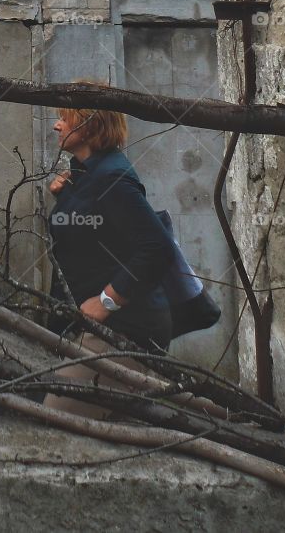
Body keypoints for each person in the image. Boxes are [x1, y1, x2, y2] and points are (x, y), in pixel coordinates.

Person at [43, 99, 176, 417]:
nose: (56, 125)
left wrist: (105, 302)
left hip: (125, 330)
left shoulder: (112, 179)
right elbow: (99, 232)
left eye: (65, 117)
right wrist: (66, 199)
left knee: (55, 416)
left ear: (89, 125)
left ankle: (235, 419)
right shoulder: (86, 172)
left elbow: (158, 248)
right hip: (98, 327)